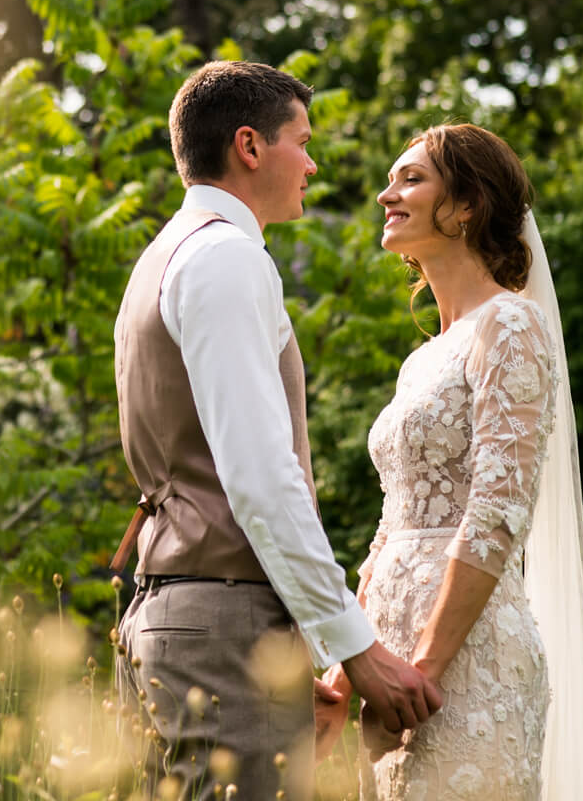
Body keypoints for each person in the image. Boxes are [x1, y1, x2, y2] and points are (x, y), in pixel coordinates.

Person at [112, 61, 442, 801]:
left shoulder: (166, 253)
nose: (313, 162)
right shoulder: (228, 259)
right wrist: (355, 649)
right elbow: (261, 480)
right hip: (222, 628)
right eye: (303, 140)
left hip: (176, 617)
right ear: (250, 147)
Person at [333, 122, 583, 799]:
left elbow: (496, 512)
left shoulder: (510, 324)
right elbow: (391, 529)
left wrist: (421, 675)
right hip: (392, 664)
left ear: (466, 206)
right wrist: (348, 674)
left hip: (466, 660)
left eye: (410, 178)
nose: (385, 193)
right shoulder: (422, 357)